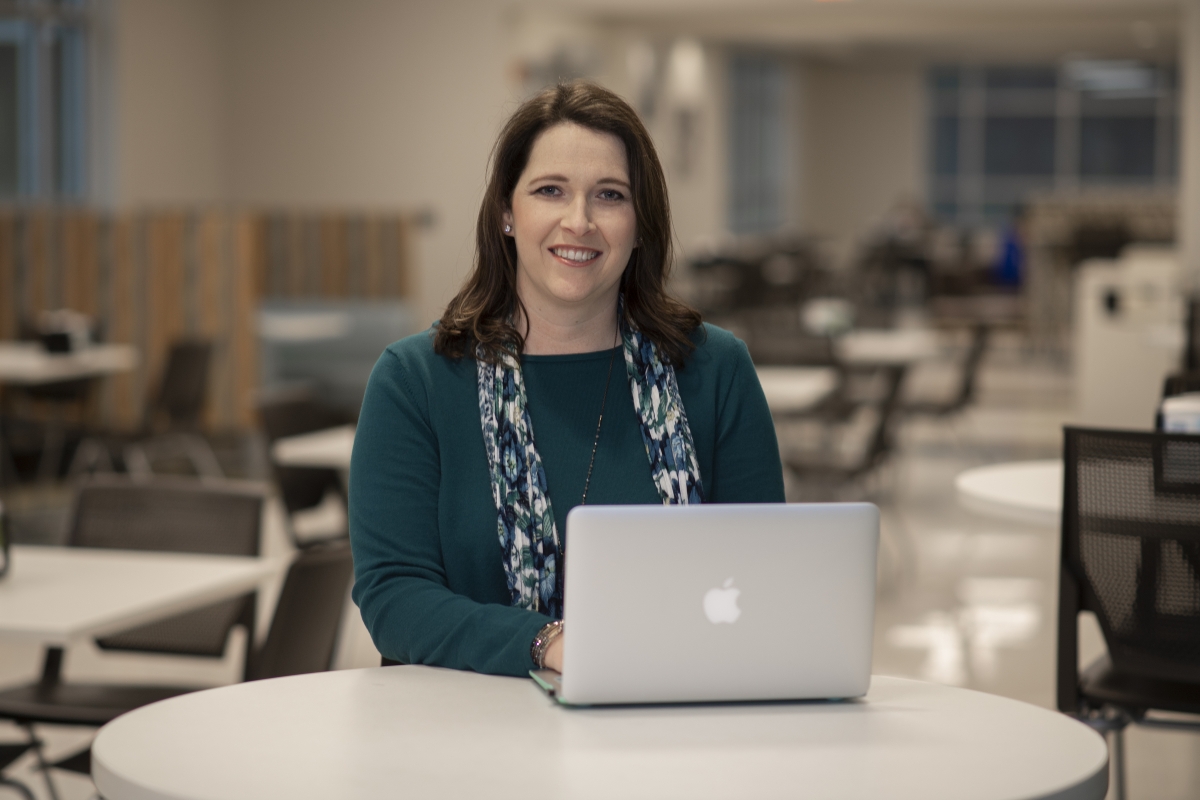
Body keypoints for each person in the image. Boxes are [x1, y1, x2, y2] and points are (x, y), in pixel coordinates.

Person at [349, 80, 785, 678]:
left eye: (609, 195)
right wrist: (549, 643)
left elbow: (765, 576)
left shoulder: (715, 371)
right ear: (507, 211)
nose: (578, 221)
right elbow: (394, 596)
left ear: (640, 222)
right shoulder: (415, 381)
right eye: (550, 191)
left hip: (671, 727)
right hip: (460, 741)